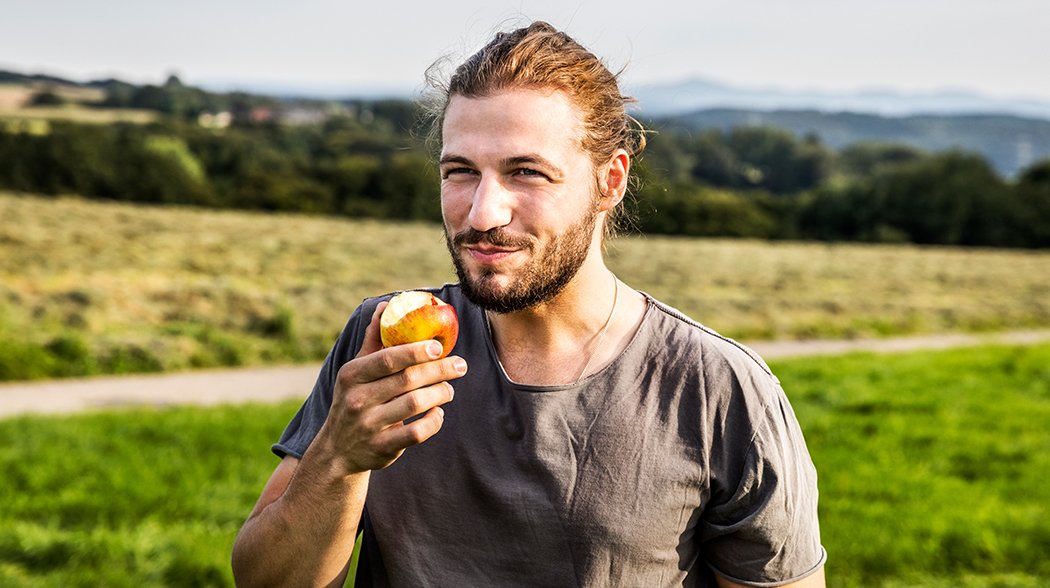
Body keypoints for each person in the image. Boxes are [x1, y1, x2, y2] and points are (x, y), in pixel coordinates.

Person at [232, 21, 826, 587]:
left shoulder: (720, 389)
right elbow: (265, 580)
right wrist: (338, 458)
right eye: (460, 171)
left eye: (527, 172)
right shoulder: (385, 341)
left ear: (609, 182)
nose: (483, 213)